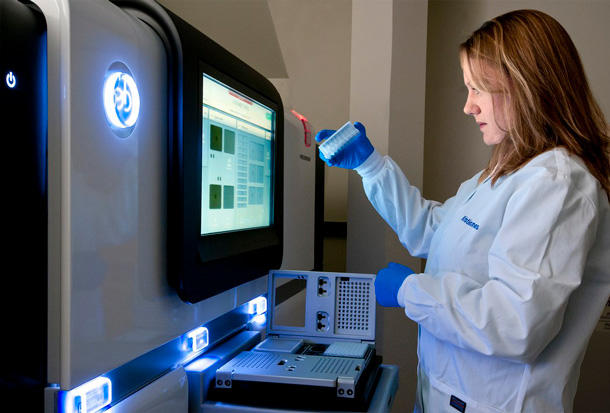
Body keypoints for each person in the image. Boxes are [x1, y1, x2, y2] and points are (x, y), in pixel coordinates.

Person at [316, 9, 610, 413]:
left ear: (526, 86)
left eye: (478, 89)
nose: (468, 107)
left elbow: (516, 324)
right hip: (446, 393)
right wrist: (371, 166)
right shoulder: (500, 175)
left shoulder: (557, 184)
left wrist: (410, 291)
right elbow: (433, 232)